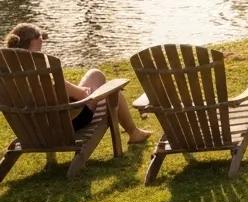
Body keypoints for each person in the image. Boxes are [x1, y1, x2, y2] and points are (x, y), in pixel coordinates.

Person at [3, 23, 151, 145]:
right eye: (41, 37)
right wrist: (87, 92)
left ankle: (134, 132)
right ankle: (133, 132)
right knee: (113, 92)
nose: (43, 40)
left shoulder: (7, 74)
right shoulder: (41, 70)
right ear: (33, 41)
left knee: (95, 74)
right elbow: (81, 95)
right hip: (66, 125)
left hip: (31, 128)